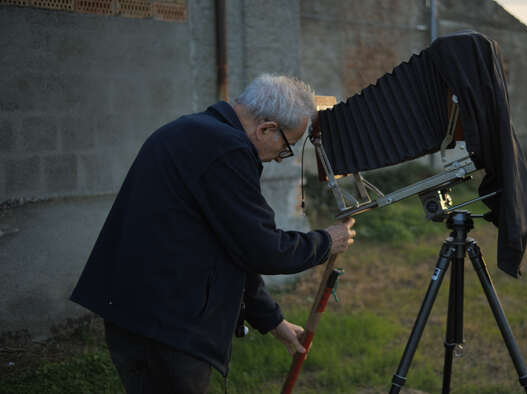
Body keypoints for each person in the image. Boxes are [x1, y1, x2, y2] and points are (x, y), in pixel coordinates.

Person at [70, 74, 356, 393]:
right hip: (169, 327)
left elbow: (229, 245)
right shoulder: (227, 151)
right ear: (266, 129)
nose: (279, 158)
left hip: (135, 315)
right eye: (286, 148)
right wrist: (327, 242)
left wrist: (271, 319)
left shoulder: (189, 131)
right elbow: (263, 249)